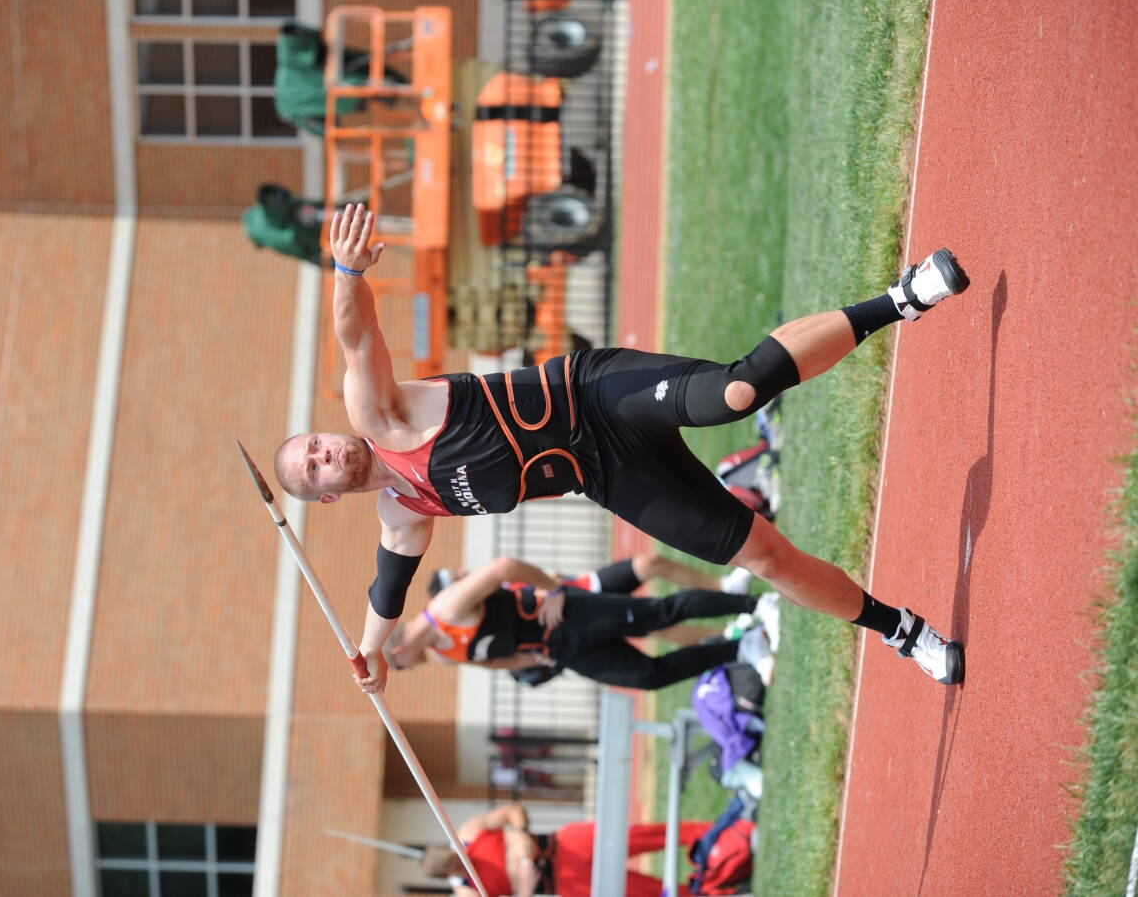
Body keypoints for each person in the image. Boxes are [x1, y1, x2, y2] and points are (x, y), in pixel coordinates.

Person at [274, 204, 969, 693]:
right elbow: (387, 590)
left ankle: (901, 298)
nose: (324, 454)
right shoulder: (404, 508)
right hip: (608, 472)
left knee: (736, 392)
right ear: (327, 493)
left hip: (594, 392)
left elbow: (357, 337)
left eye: (314, 445)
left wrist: (347, 274)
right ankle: (900, 630)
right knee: (761, 555)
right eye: (313, 470)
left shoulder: (378, 415)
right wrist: (369, 653)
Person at [384, 555, 778, 691]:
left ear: (400, 650)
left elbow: (504, 567)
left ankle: (756, 604)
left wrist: (554, 589)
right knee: (647, 676)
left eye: (398, 666)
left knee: (660, 615)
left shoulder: (446, 608)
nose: (405, 669)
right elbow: (495, 661)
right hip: (561, 650)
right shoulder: (445, 656)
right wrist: (536, 664)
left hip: (569, 611)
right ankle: (742, 647)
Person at [421, 801, 715, 897]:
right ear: (448, 875)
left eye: (456, 857)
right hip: (566, 882)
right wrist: (524, 889)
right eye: (455, 867)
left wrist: (520, 832)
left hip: (565, 844)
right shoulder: (466, 891)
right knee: (646, 891)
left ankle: (715, 832)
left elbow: (513, 809)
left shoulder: (469, 833)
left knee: (648, 835)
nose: (462, 863)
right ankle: (714, 890)